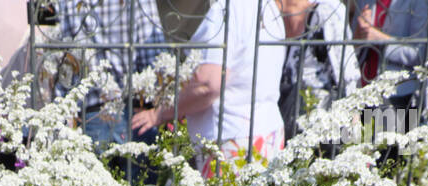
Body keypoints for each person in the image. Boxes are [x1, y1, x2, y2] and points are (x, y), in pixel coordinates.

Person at [132, 0, 287, 166]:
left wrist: (158, 114)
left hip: (231, 141)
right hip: (267, 133)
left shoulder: (226, 10)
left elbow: (208, 84)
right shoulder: (267, 6)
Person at [57, 0, 165, 151]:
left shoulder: (68, 3)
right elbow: (154, 57)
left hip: (91, 114)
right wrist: (157, 110)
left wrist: (62, 112)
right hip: (133, 113)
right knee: (138, 172)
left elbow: (64, 62)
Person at [278, 0, 362, 140]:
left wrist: (354, 128)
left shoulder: (327, 11)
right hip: (288, 110)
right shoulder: (273, 12)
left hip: (322, 116)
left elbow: (347, 70)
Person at [353, 0, 428, 105]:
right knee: (368, 121)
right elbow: (350, 47)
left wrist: (381, 40)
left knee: (393, 121)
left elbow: (419, 55)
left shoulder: (418, 3)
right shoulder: (365, 2)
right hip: (363, 90)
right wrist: (359, 34)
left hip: (398, 95)